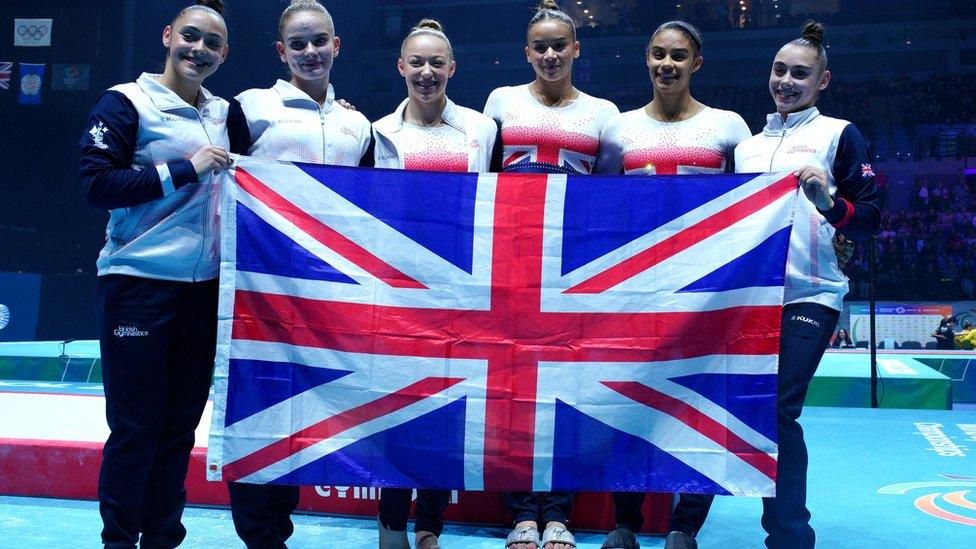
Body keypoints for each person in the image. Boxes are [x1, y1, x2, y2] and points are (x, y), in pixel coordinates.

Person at [665, 22, 882, 549]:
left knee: (777, 409)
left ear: (822, 80)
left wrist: (829, 202)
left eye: (800, 74)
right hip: (740, 299)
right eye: (779, 70)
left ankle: (789, 537)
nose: (786, 80)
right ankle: (683, 527)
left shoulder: (839, 134)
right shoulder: (747, 147)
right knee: (711, 401)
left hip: (810, 294)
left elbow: (871, 218)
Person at [78, 1, 231, 547]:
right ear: (168, 36)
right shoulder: (125, 102)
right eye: (190, 36)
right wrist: (186, 168)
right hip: (137, 284)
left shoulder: (223, 112)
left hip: (203, 292)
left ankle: (164, 537)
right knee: (136, 428)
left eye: (212, 43)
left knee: (177, 430)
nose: (199, 49)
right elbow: (98, 185)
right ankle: (119, 541)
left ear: (224, 53)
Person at [594, 20, 750, 549]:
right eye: (658, 54)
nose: (667, 64)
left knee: (700, 404)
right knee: (627, 403)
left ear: (696, 63)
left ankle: (685, 527)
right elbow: (603, 208)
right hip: (634, 291)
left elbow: (753, 207)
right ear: (646, 58)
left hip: (707, 292)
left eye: (678, 56)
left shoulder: (730, 127)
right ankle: (624, 523)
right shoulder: (618, 129)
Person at [223, 2, 373, 548]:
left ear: (337, 46)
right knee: (257, 406)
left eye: (319, 42)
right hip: (258, 291)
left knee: (301, 413)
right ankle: (259, 537)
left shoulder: (358, 123)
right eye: (298, 43)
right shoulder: (249, 107)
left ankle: (276, 532)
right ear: (281, 52)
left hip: (327, 296)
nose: (310, 52)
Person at [483, 2, 619, 548]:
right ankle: (520, 511)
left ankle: (558, 511)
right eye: (539, 46)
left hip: (573, 268)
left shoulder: (604, 112)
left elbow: (611, 190)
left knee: (568, 387)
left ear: (576, 49)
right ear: (526, 52)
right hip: (509, 262)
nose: (549, 54)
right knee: (512, 386)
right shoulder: (500, 102)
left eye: (559, 44)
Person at [371, 19, 499, 549]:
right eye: (416, 63)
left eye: (436, 62)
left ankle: (429, 527)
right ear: (401, 68)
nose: (426, 72)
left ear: (452, 68)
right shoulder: (376, 130)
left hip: (461, 291)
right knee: (398, 408)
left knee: (450, 409)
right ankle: (390, 525)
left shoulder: (481, 129)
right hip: (399, 292)